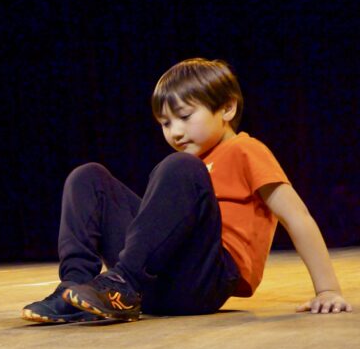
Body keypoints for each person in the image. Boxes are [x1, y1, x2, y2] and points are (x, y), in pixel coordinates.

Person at [22, 58, 352, 323]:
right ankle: (75, 290)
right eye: (165, 123)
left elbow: (297, 217)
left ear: (227, 109)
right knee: (89, 177)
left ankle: (122, 283)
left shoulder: (245, 150)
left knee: (180, 166)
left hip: (206, 280)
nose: (175, 132)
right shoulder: (189, 164)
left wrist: (327, 289)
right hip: (158, 281)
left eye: (184, 116)